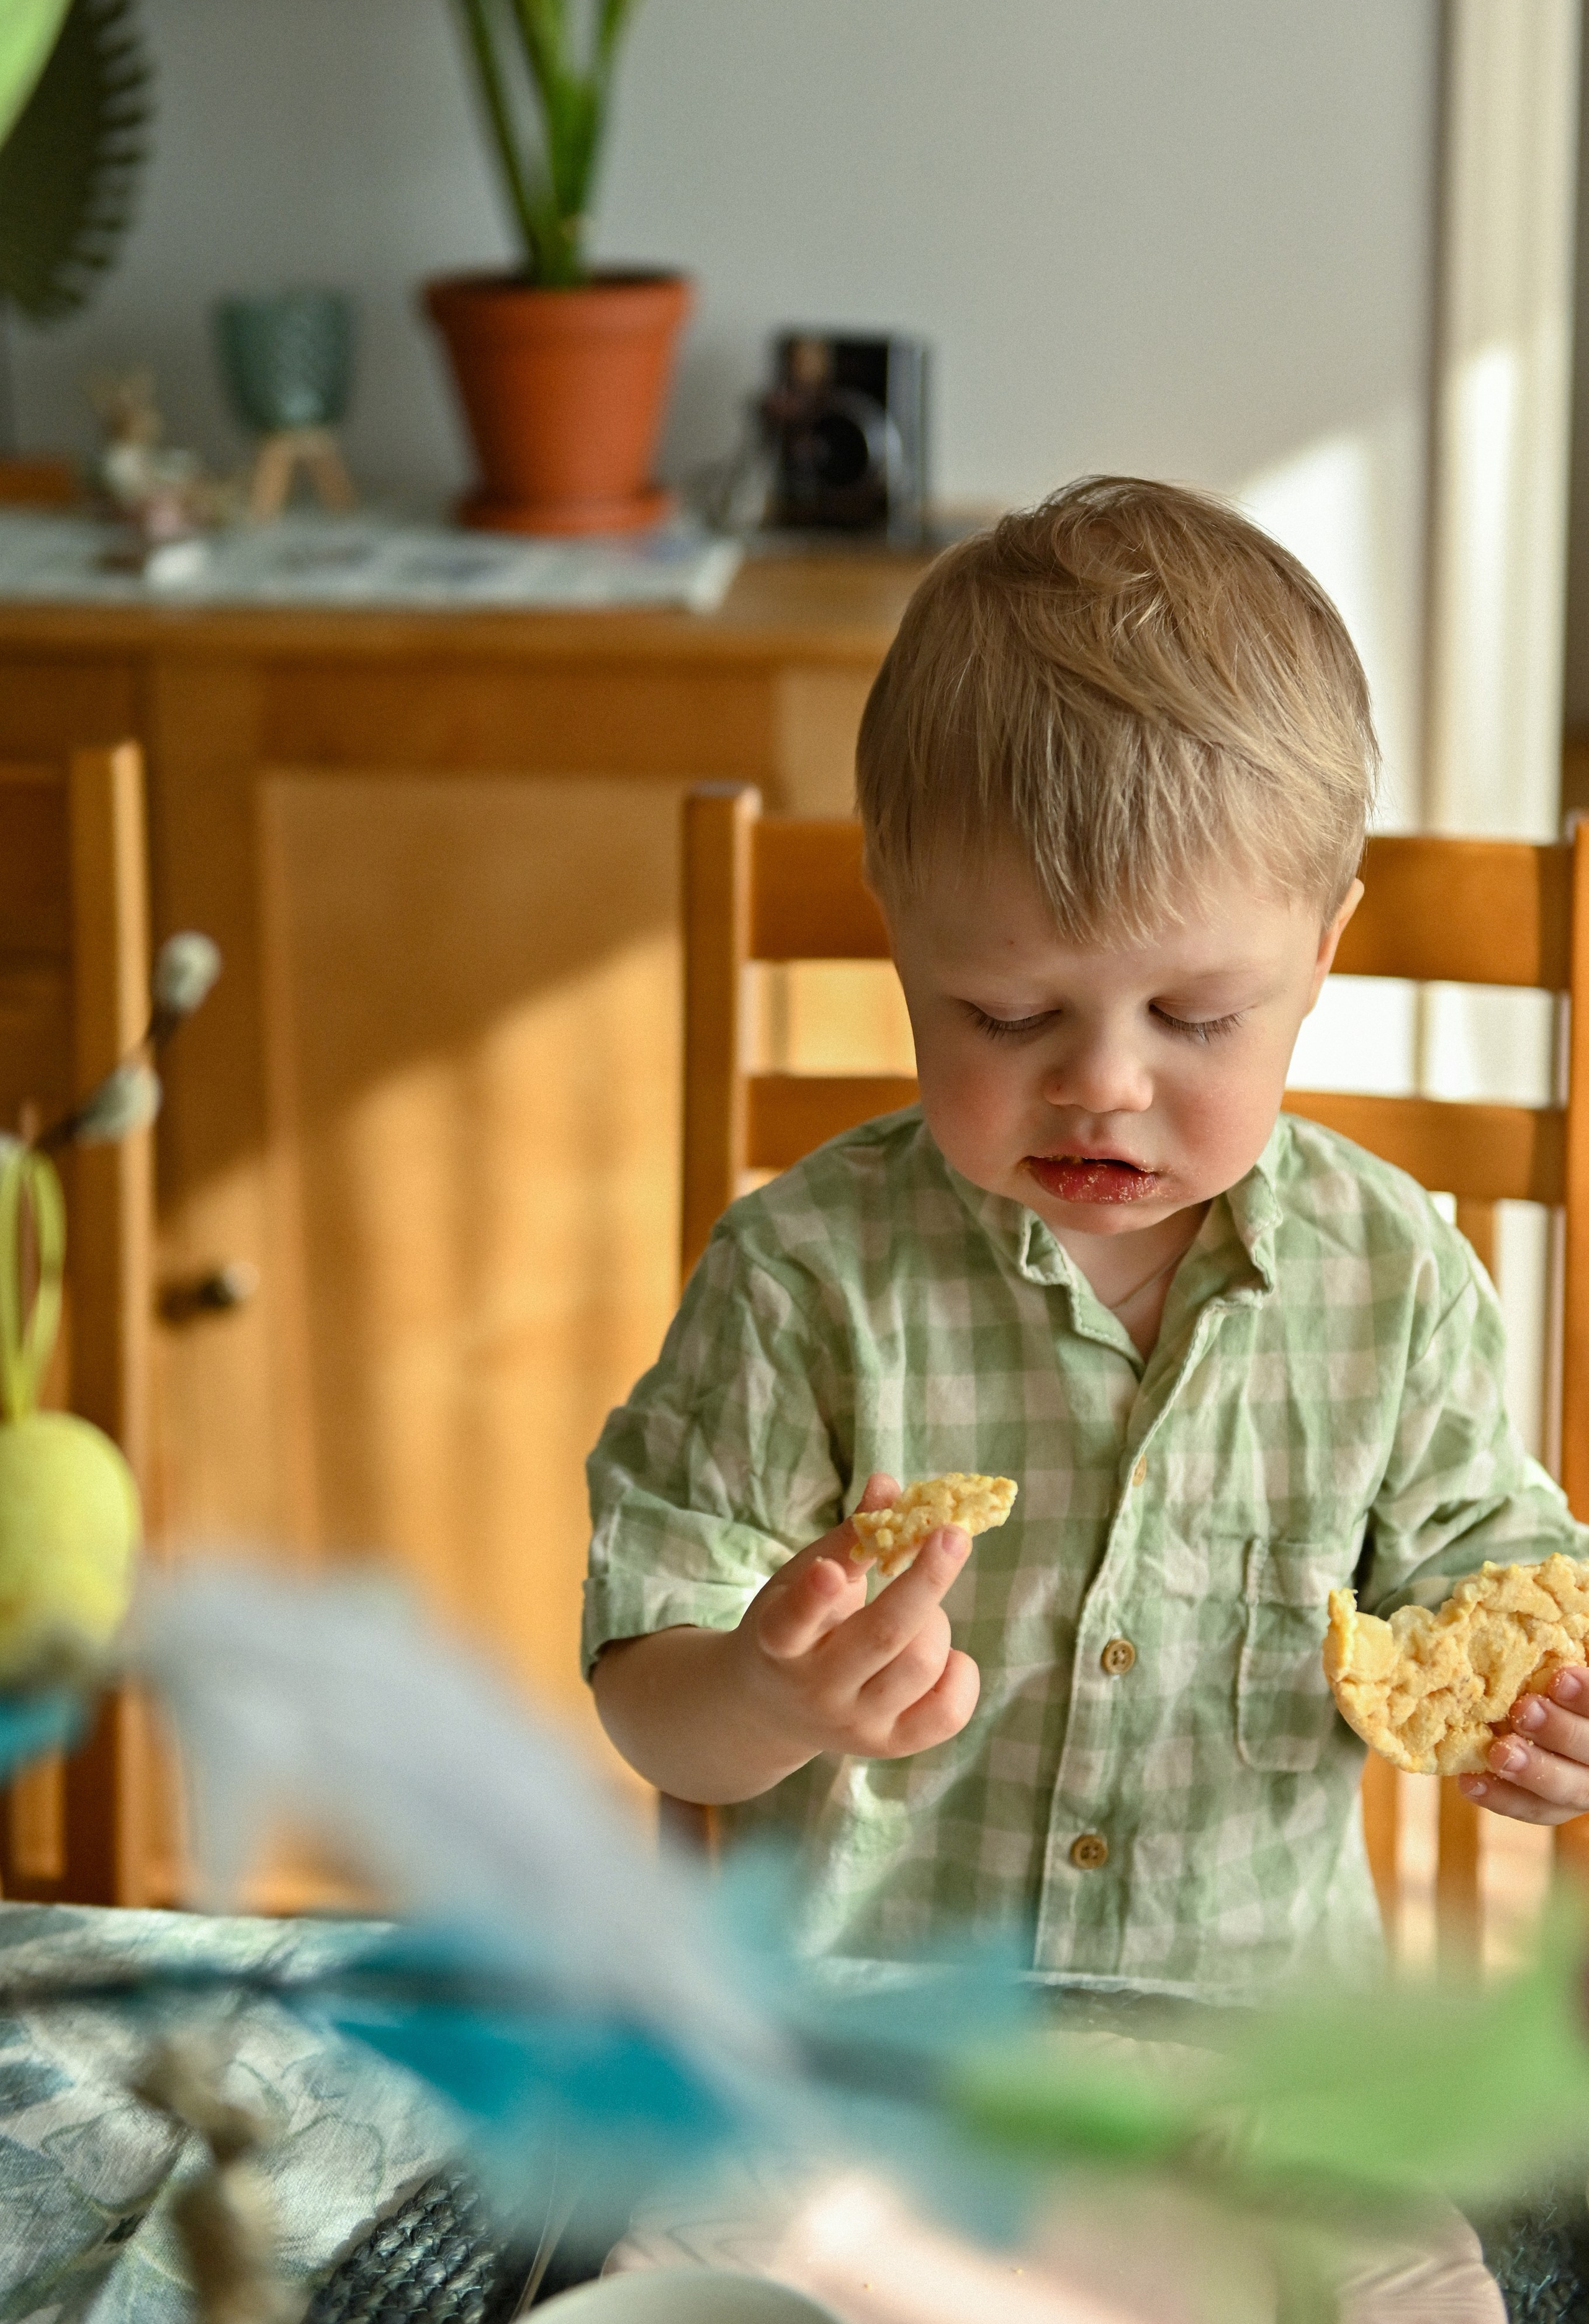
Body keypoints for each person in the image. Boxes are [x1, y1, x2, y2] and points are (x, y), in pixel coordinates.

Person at [584, 478, 1589, 1999]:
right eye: (1005, 1014)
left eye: (1193, 1017)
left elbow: (1487, 1576)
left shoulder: (1392, 1279)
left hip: (1253, 2071)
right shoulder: (805, 1277)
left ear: (1319, 950)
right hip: (873, 2060)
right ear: (898, 929)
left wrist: (1543, 1718)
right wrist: (767, 1693)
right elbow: (655, 1700)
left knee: (1396, 2258)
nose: (1101, 1084)